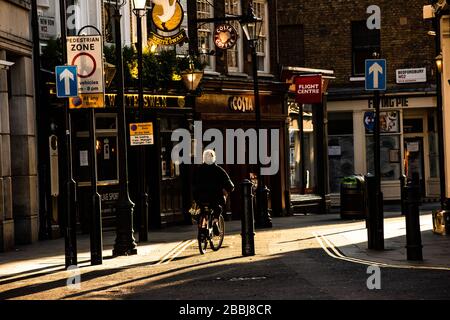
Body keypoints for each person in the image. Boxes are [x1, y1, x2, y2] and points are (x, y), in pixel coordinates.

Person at [193, 149, 234, 234]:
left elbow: (193, 183)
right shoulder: (219, 170)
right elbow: (229, 184)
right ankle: (215, 221)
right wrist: (230, 189)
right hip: (215, 198)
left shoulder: (199, 170)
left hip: (201, 198)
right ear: (214, 158)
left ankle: (203, 224)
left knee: (202, 210)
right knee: (218, 207)